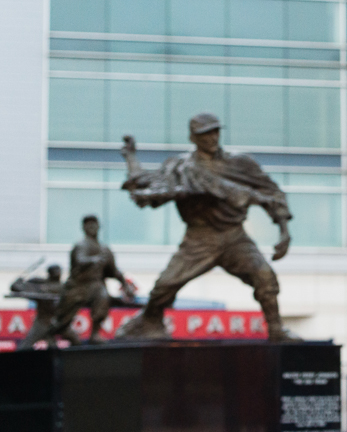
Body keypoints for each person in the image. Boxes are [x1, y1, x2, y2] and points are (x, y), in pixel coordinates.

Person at [115, 113, 298, 341]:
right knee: (164, 286)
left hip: (234, 237)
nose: (211, 138)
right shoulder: (180, 167)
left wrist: (284, 230)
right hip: (198, 238)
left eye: (215, 132)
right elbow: (143, 186)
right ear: (192, 137)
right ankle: (149, 321)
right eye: (205, 134)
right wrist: (131, 157)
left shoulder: (240, 163)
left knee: (264, 276)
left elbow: (271, 192)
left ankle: (276, 329)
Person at [46, 215, 136, 344]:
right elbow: (80, 260)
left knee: (103, 297)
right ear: (83, 228)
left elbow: (114, 271)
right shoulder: (81, 245)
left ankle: (95, 334)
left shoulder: (104, 249)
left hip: (95, 284)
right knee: (62, 319)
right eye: (88, 225)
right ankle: (54, 334)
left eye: (94, 224)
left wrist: (125, 285)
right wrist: (94, 260)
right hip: (78, 285)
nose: (92, 228)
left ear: (99, 227)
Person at [10, 263, 82, 350]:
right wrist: (20, 280)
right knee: (25, 346)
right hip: (43, 321)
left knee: (76, 341)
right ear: (50, 274)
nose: (57, 274)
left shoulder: (64, 287)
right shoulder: (42, 286)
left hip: (59, 322)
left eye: (58, 272)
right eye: (55, 272)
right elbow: (16, 287)